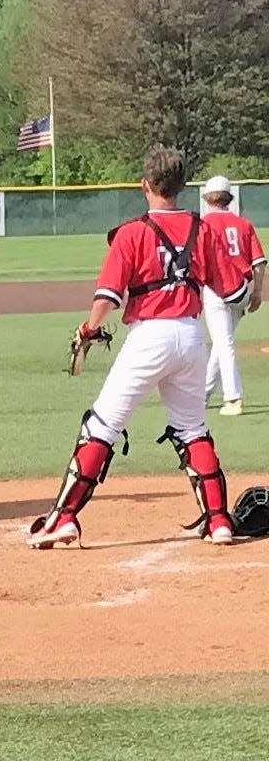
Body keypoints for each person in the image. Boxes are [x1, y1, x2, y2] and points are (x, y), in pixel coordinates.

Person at [27, 147, 248, 550]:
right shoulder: (206, 229)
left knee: (102, 426)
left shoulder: (132, 232)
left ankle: (63, 518)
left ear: (145, 185)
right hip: (191, 335)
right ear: (182, 187)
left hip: (149, 337)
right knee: (193, 428)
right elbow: (235, 289)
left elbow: (108, 295)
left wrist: (89, 328)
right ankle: (219, 521)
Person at [201, 176, 266, 417]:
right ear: (229, 199)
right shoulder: (243, 224)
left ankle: (233, 398)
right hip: (242, 290)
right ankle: (203, 395)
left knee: (224, 343)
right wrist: (258, 291)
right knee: (222, 342)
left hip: (216, 291)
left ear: (207, 199)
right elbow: (259, 263)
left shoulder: (204, 225)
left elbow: (198, 264)